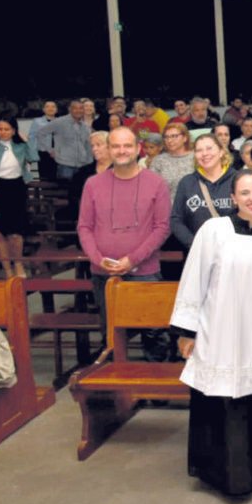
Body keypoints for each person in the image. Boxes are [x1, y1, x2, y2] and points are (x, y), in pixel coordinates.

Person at [169, 169, 252, 497]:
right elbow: (193, 278)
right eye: (245, 193)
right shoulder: (214, 230)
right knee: (220, 403)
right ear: (233, 197)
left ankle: (245, 476)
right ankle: (216, 474)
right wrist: (187, 330)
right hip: (220, 329)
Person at [77, 127, 171, 359]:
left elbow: (162, 228)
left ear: (138, 148)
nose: (122, 151)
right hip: (104, 272)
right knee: (110, 334)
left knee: (154, 334)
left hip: (145, 272)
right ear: (109, 149)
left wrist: (132, 259)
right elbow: (84, 227)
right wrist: (98, 259)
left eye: (127, 145)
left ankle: (155, 391)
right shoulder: (92, 183)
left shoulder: (156, 183)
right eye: (116, 146)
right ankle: (115, 388)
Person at [0, 118, 37, 278]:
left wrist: (26, 140)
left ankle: (18, 264)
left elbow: (34, 157)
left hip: (16, 189)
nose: (2, 132)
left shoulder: (20, 146)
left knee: (16, 233)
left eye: (7, 129)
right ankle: (7, 270)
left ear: (14, 130)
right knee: (0, 233)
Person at [171, 134, 237, 253]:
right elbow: (176, 219)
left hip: (234, 252)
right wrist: (194, 244)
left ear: (221, 152)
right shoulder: (187, 182)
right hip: (198, 253)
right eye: (199, 150)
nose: (204, 154)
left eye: (209, 148)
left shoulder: (238, 179)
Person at [35, 99, 93, 181]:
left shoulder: (84, 126)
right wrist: (50, 150)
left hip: (82, 166)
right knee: (64, 192)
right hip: (65, 166)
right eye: (75, 108)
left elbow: (87, 144)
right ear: (70, 109)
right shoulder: (60, 122)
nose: (78, 111)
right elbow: (40, 133)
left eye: (81, 108)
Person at [150, 122, 195, 200]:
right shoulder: (158, 161)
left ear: (185, 138)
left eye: (174, 136)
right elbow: (152, 188)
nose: (169, 140)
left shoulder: (197, 157)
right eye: (166, 137)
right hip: (168, 207)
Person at [29, 100, 59, 180]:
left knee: (58, 180)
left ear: (56, 109)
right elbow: (32, 138)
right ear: (43, 109)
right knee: (45, 179)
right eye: (47, 106)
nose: (50, 108)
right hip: (43, 154)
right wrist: (32, 153)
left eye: (53, 106)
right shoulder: (37, 121)